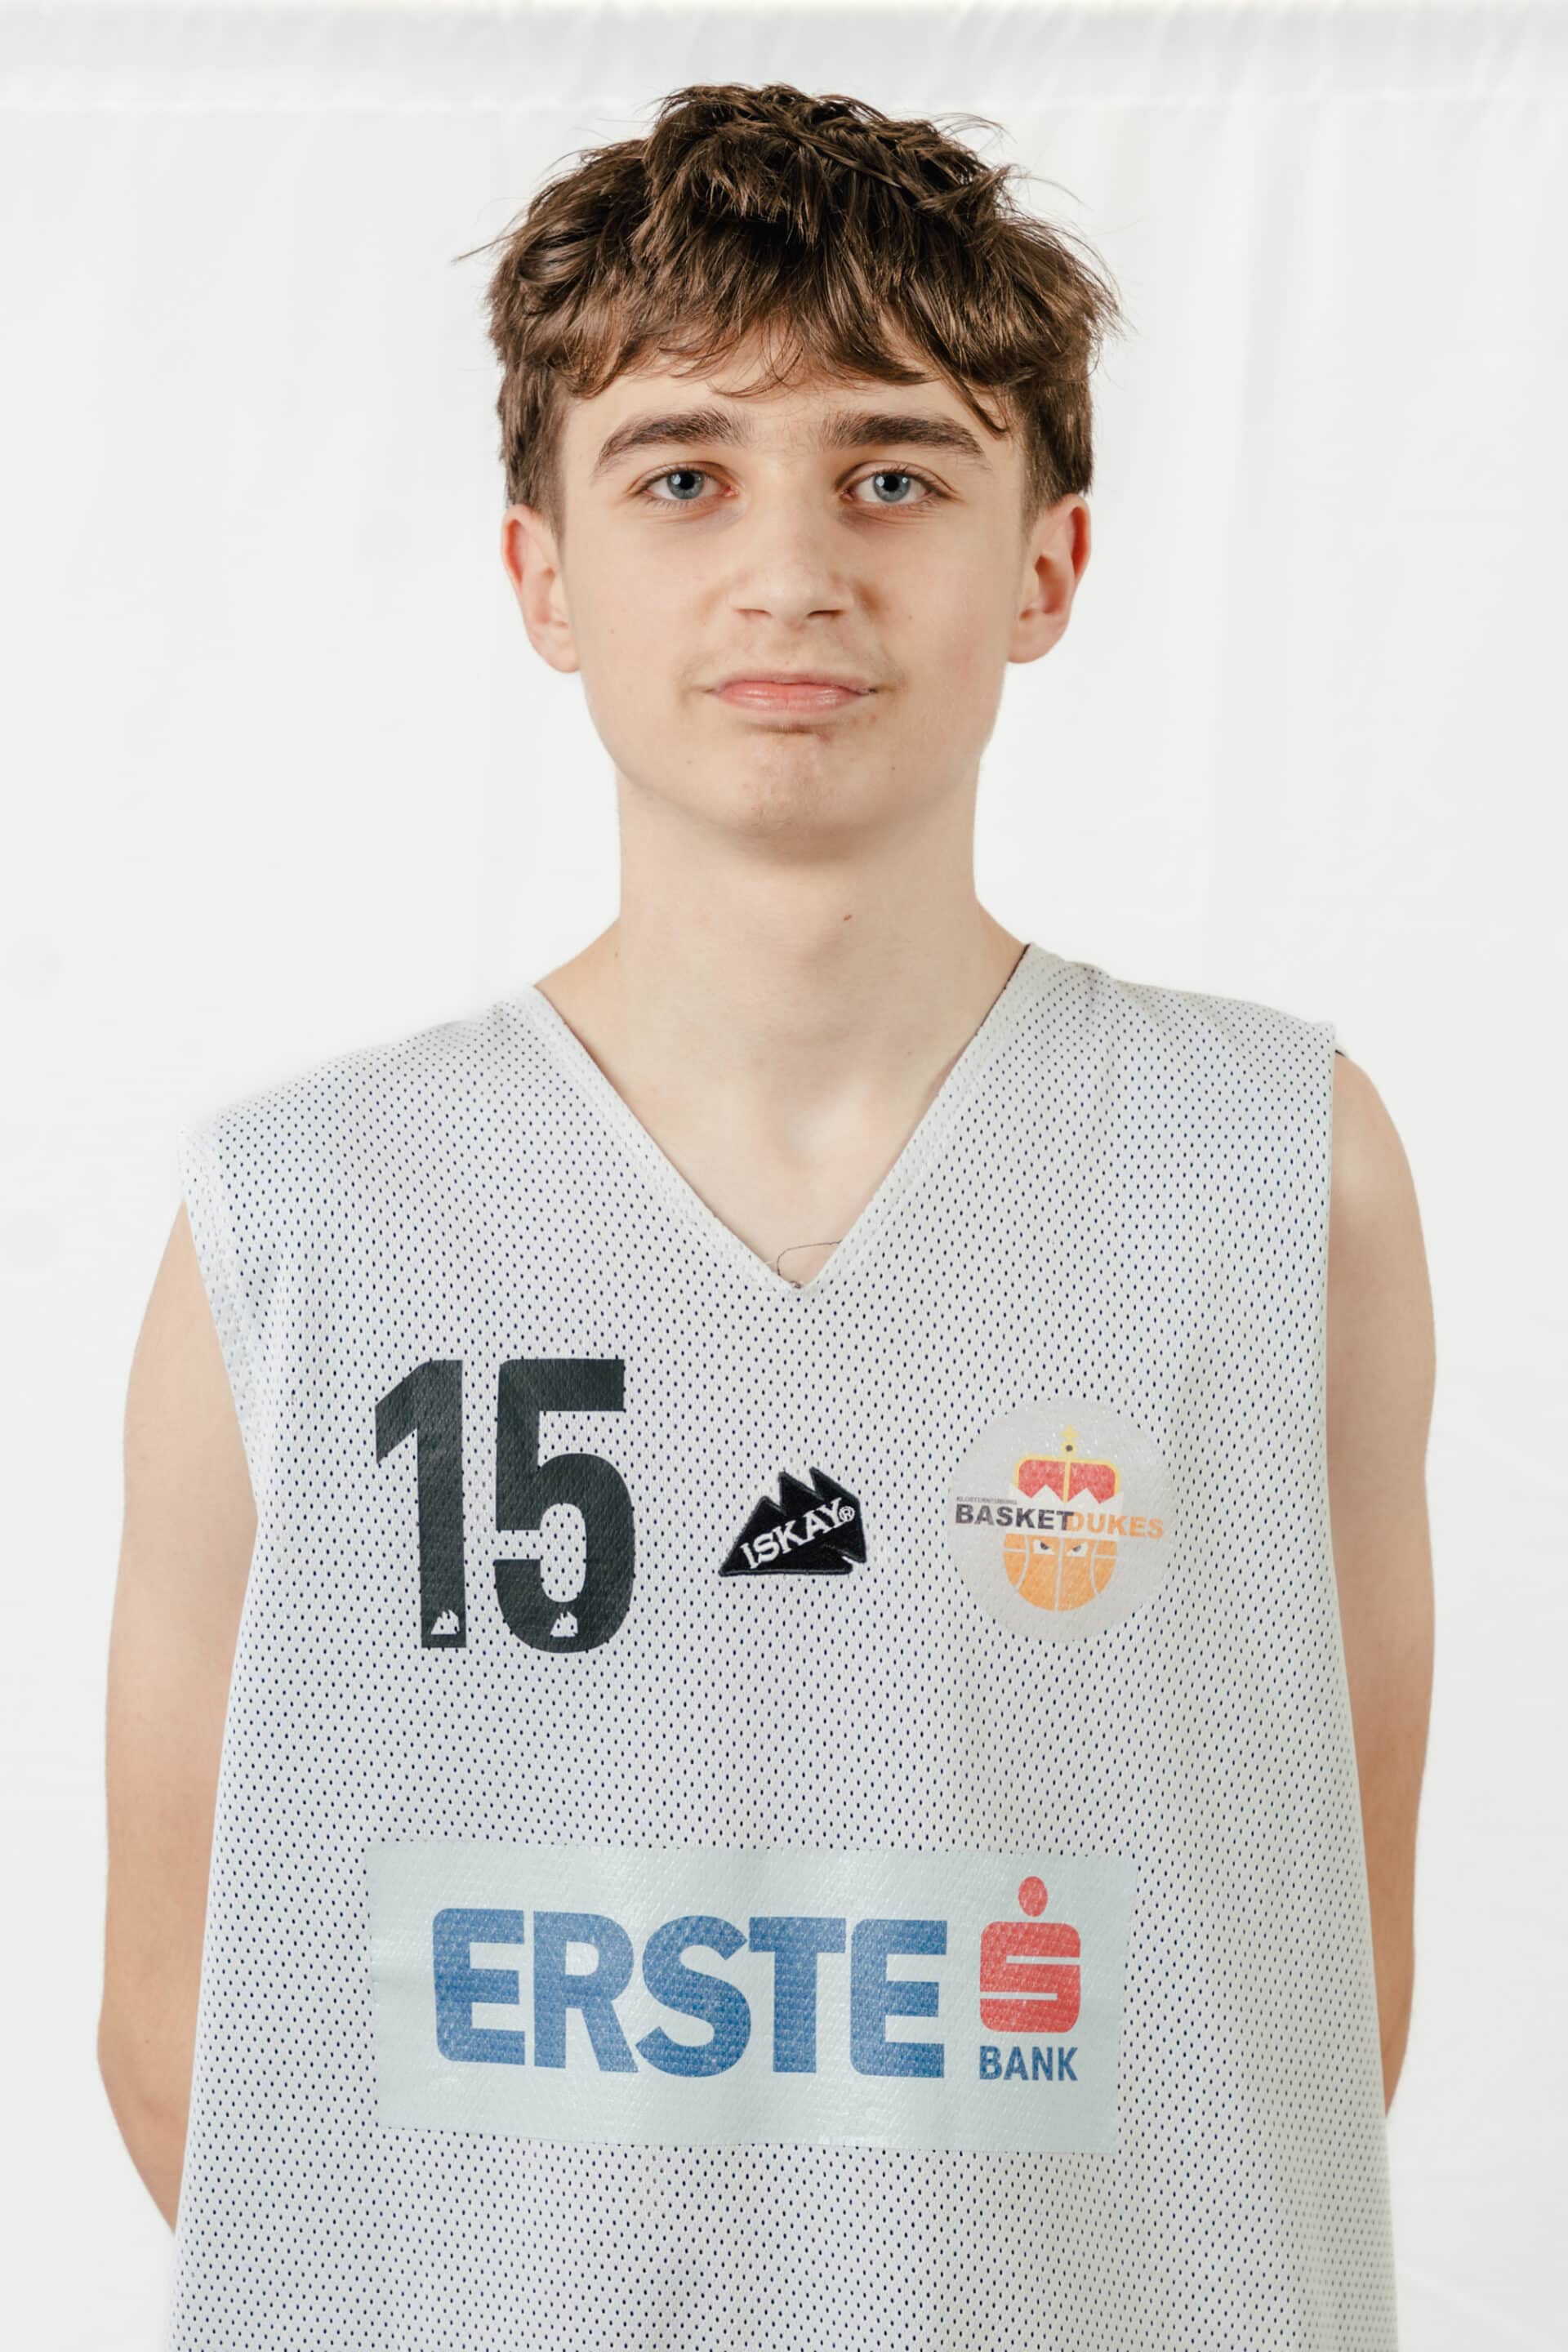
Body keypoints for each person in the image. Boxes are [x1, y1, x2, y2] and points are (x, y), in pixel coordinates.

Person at [99, 81, 1433, 2350]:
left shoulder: (1276, 1168)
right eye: (684, 475)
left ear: (1047, 566)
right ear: (544, 573)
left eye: (892, 473)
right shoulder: (304, 1217)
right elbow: (191, 2046)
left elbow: (1293, 1990)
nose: (793, 570)